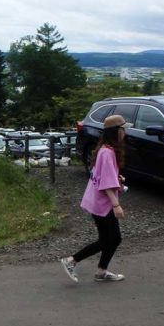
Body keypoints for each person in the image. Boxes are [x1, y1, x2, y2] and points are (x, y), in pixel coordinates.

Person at [60, 115, 128, 283]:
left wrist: (118, 180)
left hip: (100, 202)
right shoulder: (106, 153)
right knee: (107, 239)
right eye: (123, 129)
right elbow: (105, 184)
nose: (125, 132)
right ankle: (71, 261)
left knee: (114, 238)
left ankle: (101, 271)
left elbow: (104, 176)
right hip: (101, 204)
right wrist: (116, 205)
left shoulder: (107, 150)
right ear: (115, 131)